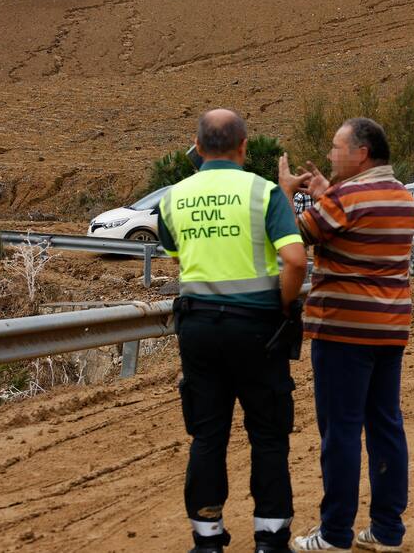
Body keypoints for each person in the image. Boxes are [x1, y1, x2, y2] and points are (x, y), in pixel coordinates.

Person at [158, 109, 308, 553]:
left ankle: (207, 538)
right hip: (259, 330)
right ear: (244, 147)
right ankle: (270, 537)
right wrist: (282, 306)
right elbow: (297, 261)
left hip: (199, 328)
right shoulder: (262, 193)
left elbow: (176, 258)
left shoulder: (172, 197)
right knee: (267, 433)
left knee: (207, 435)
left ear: (198, 147)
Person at [278, 118, 414, 553]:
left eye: (337, 147)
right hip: (389, 328)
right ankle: (387, 530)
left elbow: (292, 238)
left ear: (361, 153)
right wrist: (326, 193)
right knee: (386, 425)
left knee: (340, 432)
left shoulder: (345, 199)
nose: (329, 154)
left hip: (342, 332)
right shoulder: (403, 197)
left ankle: (335, 533)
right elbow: (353, 225)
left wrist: (286, 192)